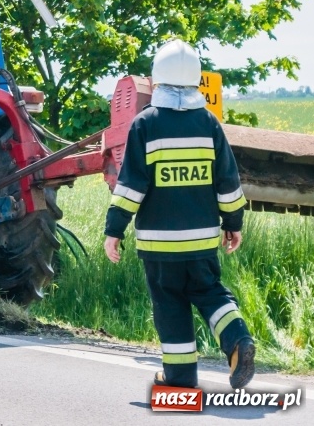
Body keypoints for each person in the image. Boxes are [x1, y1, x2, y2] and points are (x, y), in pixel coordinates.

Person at [103, 39, 255, 389]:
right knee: (211, 293)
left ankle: (181, 380)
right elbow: (229, 184)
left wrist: (115, 229)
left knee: (170, 307)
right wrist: (233, 224)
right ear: (196, 81)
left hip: (159, 245)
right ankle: (237, 340)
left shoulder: (146, 124)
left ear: (156, 81)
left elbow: (131, 186)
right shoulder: (209, 124)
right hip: (201, 241)